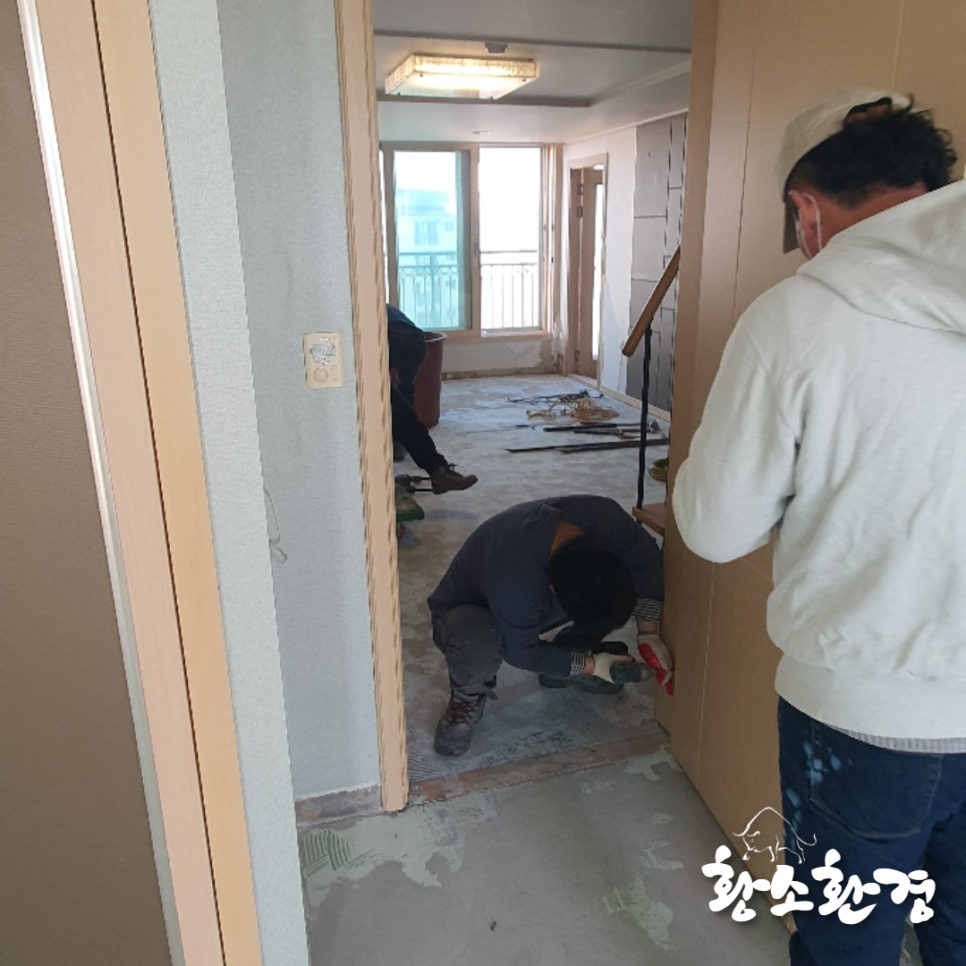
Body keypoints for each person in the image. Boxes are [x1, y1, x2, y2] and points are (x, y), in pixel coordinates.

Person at [672, 88, 966, 966]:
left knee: (846, 943)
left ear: (806, 209)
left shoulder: (796, 319)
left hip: (862, 718)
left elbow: (714, 528)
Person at [428, 494, 665, 756]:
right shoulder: (516, 585)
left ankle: (566, 659)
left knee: (604, 601)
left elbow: (645, 556)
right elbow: (521, 653)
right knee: (479, 635)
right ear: (551, 589)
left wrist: (648, 632)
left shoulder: (604, 518)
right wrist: (593, 665)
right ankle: (467, 697)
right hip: (467, 615)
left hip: (527, 593)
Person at [386, 303, 477, 494]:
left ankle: (435, 468)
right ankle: (407, 449)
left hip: (392, 338)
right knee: (401, 398)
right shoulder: (377, 304)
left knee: (395, 406)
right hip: (415, 339)